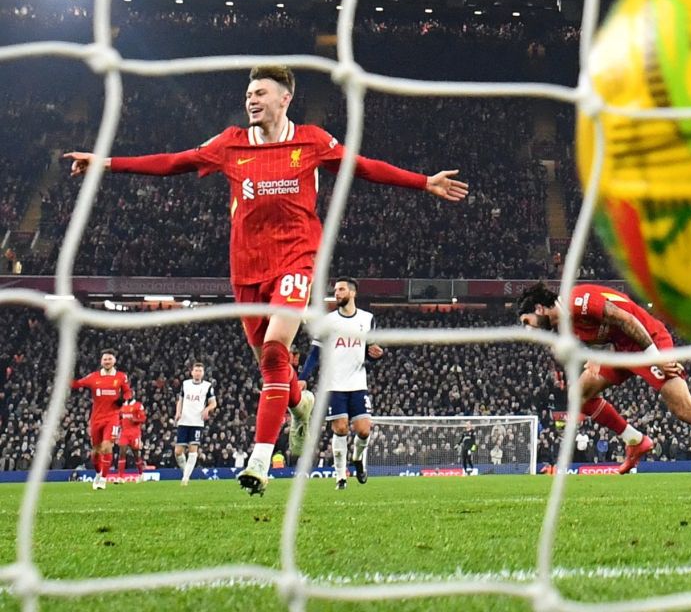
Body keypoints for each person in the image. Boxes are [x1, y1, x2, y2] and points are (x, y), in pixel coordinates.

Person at [65, 65, 468, 496]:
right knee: (269, 364)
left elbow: (363, 166)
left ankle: (260, 460)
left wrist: (423, 181)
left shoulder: (311, 140)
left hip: (297, 260)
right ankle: (300, 404)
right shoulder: (231, 144)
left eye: (260, 92)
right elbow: (173, 162)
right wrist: (107, 163)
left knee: (277, 350)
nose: (251, 100)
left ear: (284, 99)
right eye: (248, 94)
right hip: (246, 271)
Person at [516, 282, 691, 486]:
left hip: (648, 341)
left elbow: (627, 320)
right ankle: (635, 441)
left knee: (684, 409)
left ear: (539, 309)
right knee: (579, 395)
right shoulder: (563, 327)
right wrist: (595, 356)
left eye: (526, 322)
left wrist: (657, 358)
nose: (528, 331)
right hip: (622, 350)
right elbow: (603, 331)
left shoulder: (578, 301)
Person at [299, 277, 382, 490]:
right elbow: (315, 353)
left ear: (352, 293)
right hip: (333, 384)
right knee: (341, 429)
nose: (337, 293)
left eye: (341, 289)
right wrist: (302, 378)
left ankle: (357, 459)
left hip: (358, 382)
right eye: (335, 290)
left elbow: (369, 349)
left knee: (364, 430)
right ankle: (340, 477)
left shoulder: (367, 319)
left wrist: (376, 355)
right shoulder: (328, 321)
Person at [71, 349, 132, 490]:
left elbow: (128, 391)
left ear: (114, 361)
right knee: (95, 453)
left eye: (109, 359)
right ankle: (98, 474)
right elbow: (76, 384)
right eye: (105, 359)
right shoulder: (94, 377)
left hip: (113, 418)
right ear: (101, 361)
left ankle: (103, 480)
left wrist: (123, 399)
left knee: (107, 446)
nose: (107, 361)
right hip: (96, 419)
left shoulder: (121, 377)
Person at [174, 361, 216, 486]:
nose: (198, 373)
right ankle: (185, 472)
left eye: (200, 371)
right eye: (196, 370)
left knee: (193, 450)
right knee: (178, 451)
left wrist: (207, 409)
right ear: (192, 372)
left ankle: (185, 479)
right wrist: (178, 412)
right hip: (184, 420)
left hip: (197, 422)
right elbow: (180, 400)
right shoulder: (185, 384)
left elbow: (213, 403)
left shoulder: (208, 386)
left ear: (203, 373)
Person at [116, 396, 147, 480]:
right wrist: (119, 427)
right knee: (122, 453)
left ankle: (141, 474)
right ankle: (120, 477)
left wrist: (135, 420)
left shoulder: (138, 405)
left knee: (136, 455)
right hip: (124, 433)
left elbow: (143, 418)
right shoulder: (122, 406)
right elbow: (119, 418)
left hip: (135, 433)